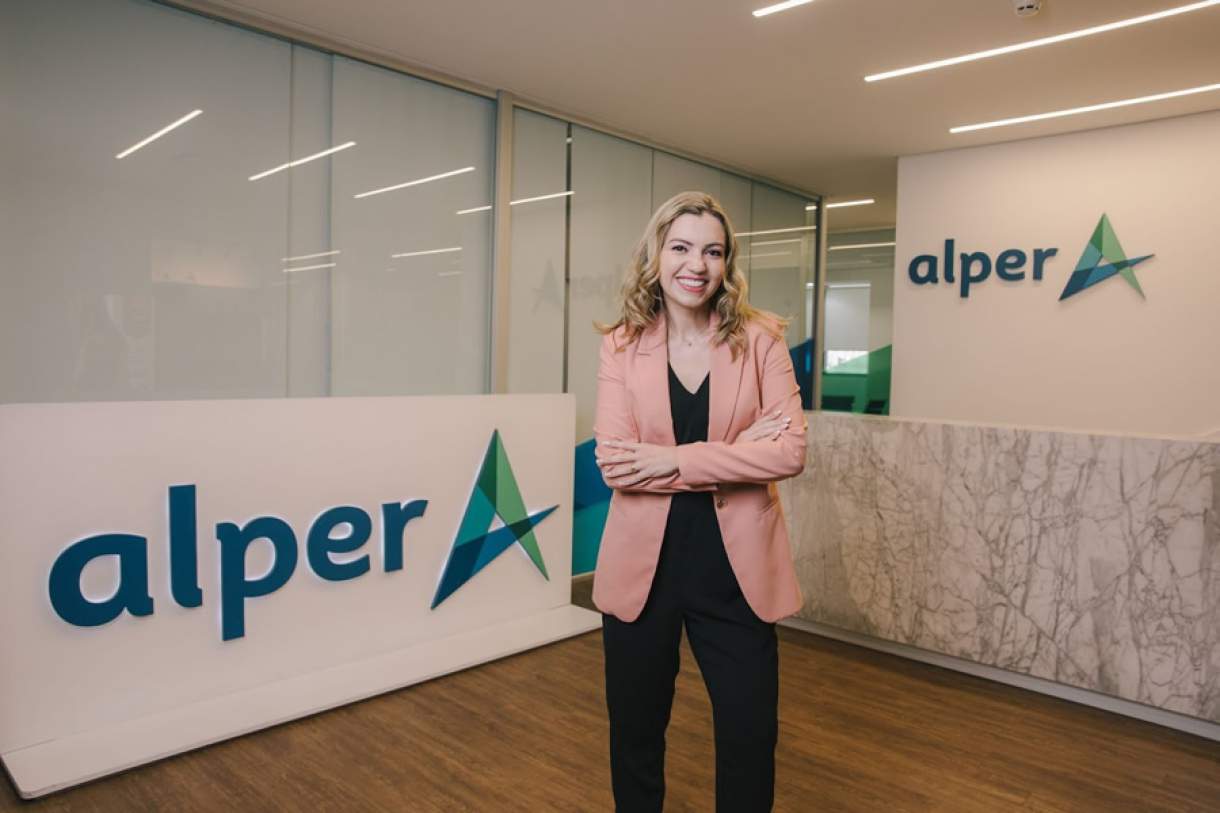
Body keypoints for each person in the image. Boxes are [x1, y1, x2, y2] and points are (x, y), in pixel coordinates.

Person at [593, 190, 807, 812]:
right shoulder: (621, 345)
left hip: (736, 576)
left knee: (749, 737)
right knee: (635, 736)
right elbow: (614, 463)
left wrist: (673, 459)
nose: (697, 264)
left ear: (727, 263)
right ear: (656, 254)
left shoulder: (761, 340)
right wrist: (738, 451)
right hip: (644, 573)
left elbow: (789, 452)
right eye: (682, 247)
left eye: (713, 252)